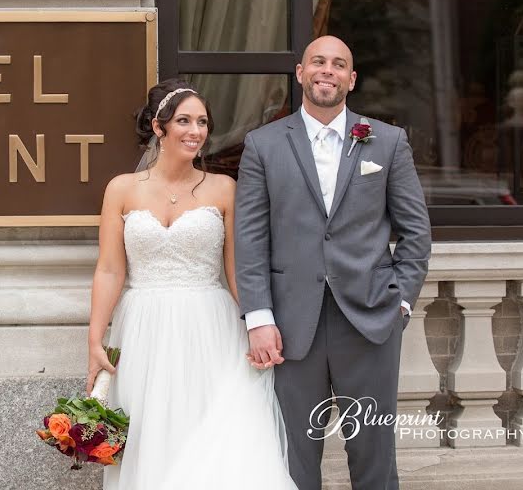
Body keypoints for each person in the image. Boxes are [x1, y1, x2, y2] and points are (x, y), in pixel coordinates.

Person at [235, 36, 432, 490]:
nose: (328, 70)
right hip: (289, 323)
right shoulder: (263, 145)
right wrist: (259, 318)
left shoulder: (387, 142)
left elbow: (416, 233)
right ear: (301, 73)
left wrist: (399, 303)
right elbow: (249, 239)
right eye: (318, 62)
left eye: (339, 64)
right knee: (294, 458)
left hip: (370, 319)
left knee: (374, 454)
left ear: (351, 79)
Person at [86, 79, 298, 489]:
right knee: (153, 439)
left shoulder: (223, 189)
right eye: (183, 120)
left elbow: (239, 270)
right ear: (159, 127)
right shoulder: (121, 190)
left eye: (202, 122)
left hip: (211, 330)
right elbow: (110, 269)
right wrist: (95, 339)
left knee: (216, 439)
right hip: (143, 331)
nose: (196, 131)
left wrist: (260, 324)